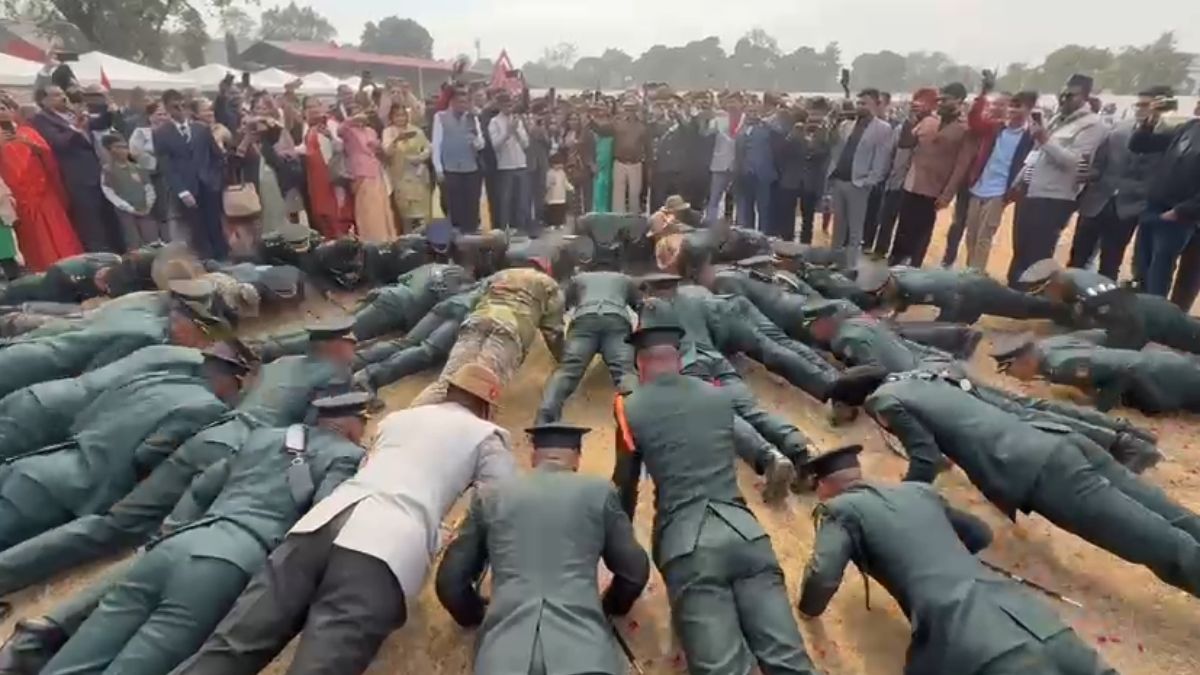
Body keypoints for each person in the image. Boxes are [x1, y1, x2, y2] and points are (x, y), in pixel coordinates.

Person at [172, 364, 516, 675]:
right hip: (384, 549)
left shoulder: (398, 419)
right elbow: (501, 503)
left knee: (232, 648)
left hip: (317, 526)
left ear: (448, 390)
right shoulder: (487, 435)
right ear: (488, 407)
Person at [38, 392, 368, 675]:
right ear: (353, 425)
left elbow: (202, 488)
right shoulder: (347, 456)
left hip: (176, 544)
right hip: (228, 564)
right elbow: (322, 516)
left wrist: (172, 531)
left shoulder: (262, 438)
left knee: (83, 652)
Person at [845, 368, 1200, 598]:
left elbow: (924, 457)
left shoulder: (884, 400)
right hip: (1057, 438)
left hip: (1042, 471)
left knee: (1158, 544)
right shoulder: (924, 376)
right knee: (1171, 516)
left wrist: (908, 503)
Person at [611, 314, 819, 675]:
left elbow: (626, 485)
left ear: (640, 364)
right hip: (747, 535)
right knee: (789, 661)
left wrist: (618, 539)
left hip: (687, 545)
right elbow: (741, 435)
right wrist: (765, 457)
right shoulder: (717, 395)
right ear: (678, 360)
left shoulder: (629, 407)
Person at [797, 446, 1117, 675]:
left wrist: (807, 611)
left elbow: (824, 574)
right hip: (1035, 621)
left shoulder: (840, 510)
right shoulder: (918, 491)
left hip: (975, 642)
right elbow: (980, 533)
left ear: (824, 486)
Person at [438, 423, 650, 675]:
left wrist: (476, 616)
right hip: (584, 656)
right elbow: (635, 571)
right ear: (577, 458)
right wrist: (611, 606)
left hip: (502, 660)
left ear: (533, 457)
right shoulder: (599, 492)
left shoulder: (491, 495)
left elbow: (450, 583)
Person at [0, 344, 237, 551]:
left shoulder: (154, 378)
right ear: (232, 379)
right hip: (64, 491)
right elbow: (147, 455)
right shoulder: (207, 407)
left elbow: (83, 419)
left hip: (37, 463)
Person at [410, 263, 565, 406]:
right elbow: (553, 333)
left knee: (446, 384)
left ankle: (409, 418)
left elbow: (474, 300)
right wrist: (563, 359)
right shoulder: (550, 286)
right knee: (481, 392)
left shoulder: (501, 275)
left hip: (477, 322)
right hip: (509, 330)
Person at [1006, 74, 1107, 288]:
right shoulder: (1057, 118)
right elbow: (1036, 153)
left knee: (1038, 254)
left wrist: (1045, 139)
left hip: (1054, 197)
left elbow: (1075, 163)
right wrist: (1019, 179)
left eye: (1071, 95)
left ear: (1085, 96)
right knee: (1020, 248)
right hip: (1031, 192)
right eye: (1062, 94)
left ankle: (1032, 296)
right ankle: (1013, 294)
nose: (1064, 99)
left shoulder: (1092, 125)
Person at [1070, 87, 1166, 281]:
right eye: (1138, 104)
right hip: (1097, 201)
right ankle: (1070, 295)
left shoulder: (1168, 136)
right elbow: (1099, 164)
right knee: (1078, 257)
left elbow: (1162, 174)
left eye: (1146, 105)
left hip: (1129, 208)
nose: (1140, 109)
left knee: (1111, 262)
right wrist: (1088, 175)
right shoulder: (1118, 130)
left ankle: (1105, 298)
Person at [993, 329, 1200, 415]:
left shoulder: (1061, 367)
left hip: (1163, 377)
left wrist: (1098, 405)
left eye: (1009, 369)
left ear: (1026, 361)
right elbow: (1099, 335)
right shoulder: (1049, 344)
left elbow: (1124, 372)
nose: (1010, 376)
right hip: (1158, 360)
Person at [535, 267, 639, 424]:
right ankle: (636, 418)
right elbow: (640, 306)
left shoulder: (578, 279)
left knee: (568, 371)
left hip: (584, 321)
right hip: (616, 321)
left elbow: (562, 306)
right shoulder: (625, 279)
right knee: (625, 371)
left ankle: (546, 416)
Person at [889, 82, 973, 268]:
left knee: (922, 232)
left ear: (959, 101)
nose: (941, 103)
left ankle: (913, 268)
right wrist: (911, 120)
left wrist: (947, 194)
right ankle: (894, 265)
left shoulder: (965, 129)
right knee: (903, 228)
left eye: (946, 100)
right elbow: (906, 143)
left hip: (934, 189)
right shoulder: (929, 121)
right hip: (912, 183)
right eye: (939, 99)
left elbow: (961, 166)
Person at [29, 84, 121, 253]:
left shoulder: (72, 113)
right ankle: (98, 254)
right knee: (90, 217)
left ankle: (118, 250)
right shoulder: (42, 119)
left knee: (108, 213)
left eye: (62, 93)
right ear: (44, 100)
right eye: (56, 95)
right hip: (76, 174)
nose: (63, 97)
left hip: (96, 170)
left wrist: (108, 110)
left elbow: (99, 124)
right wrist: (76, 128)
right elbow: (58, 142)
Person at [1128, 93, 1200, 297]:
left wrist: (1181, 211)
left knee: (1159, 270)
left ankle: (1155, 311)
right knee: (1141, 265)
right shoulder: (1189, 127)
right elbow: (1139, 145)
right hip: (1153, 206)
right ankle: (1140, 308)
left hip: (1179, 215)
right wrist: (1149, 121)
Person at [0, 94, 82, 272]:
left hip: (42, 190)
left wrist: (30, 143)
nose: (1, 113)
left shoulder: (27, 131)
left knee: (58, 230)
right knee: (34, 238)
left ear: (12, 111)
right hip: (18, 196)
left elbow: (47, 155)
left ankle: (71, 265)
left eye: (3, 109)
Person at [959, 85, 1037, 272]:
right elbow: (974, 121)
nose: (1012, 110)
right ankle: (970, 271)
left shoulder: (1029, 138)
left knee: (984, 238)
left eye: (1018, 106)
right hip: (978, 186)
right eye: (1011, 105)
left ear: (1028, 109)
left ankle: (975, 274)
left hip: (999, 193)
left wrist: (1013, 192)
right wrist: (983, 93)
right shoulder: (996, 128)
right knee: (971, 235)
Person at [825, 89, 894, 269]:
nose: (860, 106)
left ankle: (851, 266)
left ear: (875, 105)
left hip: (858, 184)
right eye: (859, 103)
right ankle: (834, 262)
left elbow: (881, 159)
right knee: (838, 227)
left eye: (864, 103)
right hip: (840, 181)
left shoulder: (882, 128)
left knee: (855, 229)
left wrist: (867, 182)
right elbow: (836, 148)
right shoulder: (847, 125)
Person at [155, 89, 226, 259]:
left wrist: (215, 179)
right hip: (186, 187)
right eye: (175, 107)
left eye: (182, 105)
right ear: (168, 109)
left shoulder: (201, 129)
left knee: (215, 223)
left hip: (209, 184)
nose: (180, 109)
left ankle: (223, 256)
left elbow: (217, 156)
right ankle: (206, 259)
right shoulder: (161, 133)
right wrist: (181, 190)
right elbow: (166, 165)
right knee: (196, 227)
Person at [339, 100, 395, 243]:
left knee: (381, 207)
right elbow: (340, 129)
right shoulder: (349, 131)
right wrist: (353, 120)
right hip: (361, 173)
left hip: (376, 171)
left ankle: (387, 239)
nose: (360, 117)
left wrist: (378, 148)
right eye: (356, 113)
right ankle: (372, 240)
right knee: (368, 209)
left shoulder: (371, 131)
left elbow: (380, 151)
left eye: (361, 113)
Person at [778, 101, 833, 244]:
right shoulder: (794, 130)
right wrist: (794, 135)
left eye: (817, 118)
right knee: (787, 216)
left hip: (810, 182)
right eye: (811, 116)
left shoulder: (823, 134)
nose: (813, 121)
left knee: (808, 218)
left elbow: (824, 154)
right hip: (791, 180)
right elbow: (783, 152)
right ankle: (787, 243)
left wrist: (812, 143)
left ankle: (805, 245)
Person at [432, 87, 486, 233]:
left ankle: (472, 230)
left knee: (472, 201)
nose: (463, 105)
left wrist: (476, 141)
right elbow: (436, 144)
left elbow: (481, 143)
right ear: (452, 102)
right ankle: (457, 231)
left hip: (471, 166)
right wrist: (438, 168)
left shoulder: (472, 118)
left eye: (465, 102)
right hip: (450, 167)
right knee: (454, 202)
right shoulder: (440, 117)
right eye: (460, 102)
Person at [300, 96, 353, 239]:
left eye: (315, 106)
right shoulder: (307, 127)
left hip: (331, 175)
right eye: (309, 107)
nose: (312, 110)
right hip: (315, 177)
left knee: (336, 212)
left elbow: (342, 146)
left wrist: (330, 137)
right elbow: (304, 148)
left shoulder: (331, 124)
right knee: (321, 213)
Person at [100, 134, 160, 250]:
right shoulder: (108, 170)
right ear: (111, 150)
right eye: (118, 147)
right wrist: (128, 208)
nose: (123, 150)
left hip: (144, 209)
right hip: (126, 212)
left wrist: (148, 205)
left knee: (152, 238)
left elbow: (148, 187)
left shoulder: (138, 168)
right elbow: (109, 192)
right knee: (133, 241)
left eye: (124, 147)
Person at [382, 105, 432, 232]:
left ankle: (425, 237)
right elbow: (387, 152)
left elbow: (428, 147)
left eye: (403, 115)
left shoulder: (416, 130)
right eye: (397, 116)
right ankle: (407, 236)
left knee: (423, 210)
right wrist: (396, 140)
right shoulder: (388, 132)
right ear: (392, 118)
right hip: (400, 175)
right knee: (406, 211)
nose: (401, 118)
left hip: (418, 174)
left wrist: (420, 157)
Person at [489, 92, 532, 233]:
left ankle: (521, 228)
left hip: (521, 164)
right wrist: (507, 132)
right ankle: (505, 228)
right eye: (506, 105)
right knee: (505, 200)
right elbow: (495, 145)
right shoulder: (494, 122)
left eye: (511, 105)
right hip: (505, 166)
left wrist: (517, 132)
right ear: (500, 106)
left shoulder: (517, 120)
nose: (509, 108)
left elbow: (526, 144)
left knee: (521, 199)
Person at [734, 100, 779, 232]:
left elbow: (778, 136)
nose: (752, 114)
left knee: (763, 208)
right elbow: (738, 151)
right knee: (747, 208)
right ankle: (749, 234)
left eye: (755, 111)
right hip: (746, 174)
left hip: (763, 174)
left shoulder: (767, 128)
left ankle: (763, 234)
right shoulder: (742, 129)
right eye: (750, 111)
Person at [704, 93, 742, 224]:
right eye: (729, 102)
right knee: (714, 197)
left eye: (735, 102)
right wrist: (710, 119)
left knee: (737, 199)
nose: (732, 105)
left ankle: (735, 225)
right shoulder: (719, 119)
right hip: (720, 164)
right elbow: (706, 133)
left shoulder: (745, 119)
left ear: (741, 103)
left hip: (738, 165)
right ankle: (710, 224)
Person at [591, 105, 616, 213]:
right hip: (601, 164)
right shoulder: (597, 134)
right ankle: (601, 211)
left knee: (604, 186)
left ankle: (602, 211)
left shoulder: (607, 137)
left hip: (607, 164)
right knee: (601, 186)